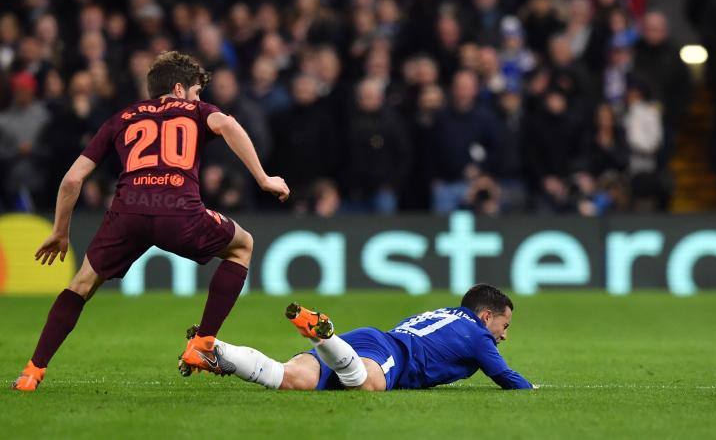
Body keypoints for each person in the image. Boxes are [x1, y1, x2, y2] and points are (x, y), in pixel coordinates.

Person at [11, 51, 290, 391]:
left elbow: (72, 180)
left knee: (81, 285)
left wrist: (60, 231)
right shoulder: (198, 111)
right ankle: (202, 345)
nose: (199, 98)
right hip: (179, 212)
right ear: (178, 89)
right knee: (242, 245)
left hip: (127, 213)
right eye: (197, 91)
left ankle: (31, 372)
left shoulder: (122, 117)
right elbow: (229, 125)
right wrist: (263, 178)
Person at [179, 284, 536, 392]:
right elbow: (506, 377)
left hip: (370, 338)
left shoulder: (444, 313)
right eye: (504, 327)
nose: (503, 337)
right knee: (366, 386)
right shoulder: (478, 335)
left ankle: (211, 348)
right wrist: (531, 390)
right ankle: (325, 336)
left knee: (289, 378)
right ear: (486, 316)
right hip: (391, 353)